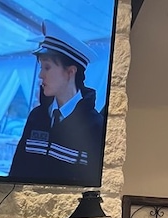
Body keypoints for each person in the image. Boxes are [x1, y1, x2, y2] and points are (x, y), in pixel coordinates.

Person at [9, 20, 104, 186]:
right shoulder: (36, 116)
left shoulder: (95, 126)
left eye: (47, 67)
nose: (40, 75)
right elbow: (15, 173)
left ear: (70, 72)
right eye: (41, 67)